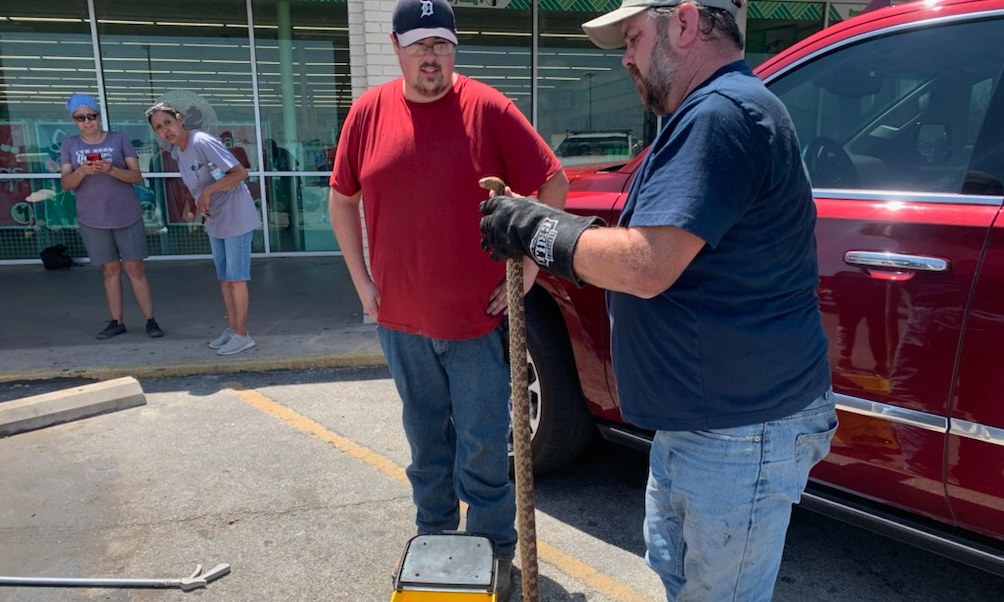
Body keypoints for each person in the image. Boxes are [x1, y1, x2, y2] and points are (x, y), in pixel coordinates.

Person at [479, 1, 837, 600]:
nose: (625, 57)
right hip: (704, 423)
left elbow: (647, 265)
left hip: (736, 431)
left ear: (686, 23)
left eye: (635, 37)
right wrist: (553, 225)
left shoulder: (721, 116)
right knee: (682, 577)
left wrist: (539, 231)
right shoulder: (711, 111)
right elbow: (663, 242)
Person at [327, 0, 568, 599]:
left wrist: (531, 269)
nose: (430, 55)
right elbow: (341, 197)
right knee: (425, 439)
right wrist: (362, 283)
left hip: (475, 322)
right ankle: (433, 539)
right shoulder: (368, 112)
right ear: (396, 46)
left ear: (454, 49)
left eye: (441, 43)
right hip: (400, 321)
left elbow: (554, 181)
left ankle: (492, 550)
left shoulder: (489, 109)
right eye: (418, 44)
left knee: (486, 441)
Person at [145, 101, 262, 356]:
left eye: (168, 122)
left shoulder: (201, 142)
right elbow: (196, 185)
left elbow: (239, 173)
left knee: (236, 278)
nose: (166, 130)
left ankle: (243, 335)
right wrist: (195, 204)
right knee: (224, 278)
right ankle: (232, 328)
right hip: (214, 219)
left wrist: (208, 191)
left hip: (235, 215)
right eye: (159, 128)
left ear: (179, 119)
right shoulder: (178, 152)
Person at [59, 93, 164, 340]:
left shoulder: (119, 139)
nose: (87, 121)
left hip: (126, 214)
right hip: (92, 218)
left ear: (98, 116)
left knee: (135, 268)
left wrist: (111, 169)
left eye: (91, 116)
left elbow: (136, 176)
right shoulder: (69, 145)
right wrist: (83, 171)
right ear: (74, 120)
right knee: (109, 270)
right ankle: (116, 321)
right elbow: (65, 183)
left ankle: (151, 320)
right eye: (80, 118)